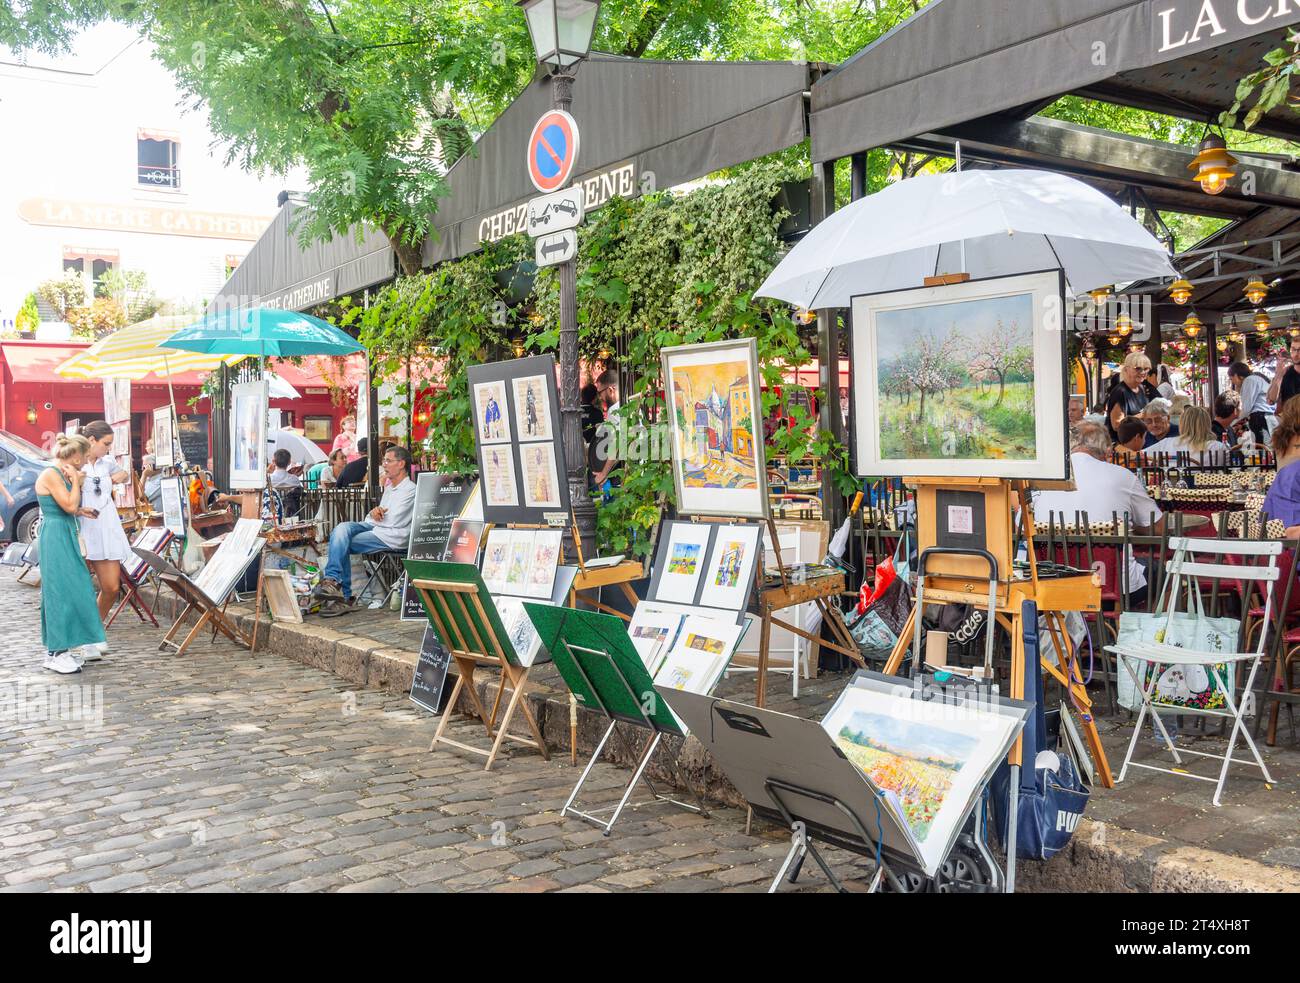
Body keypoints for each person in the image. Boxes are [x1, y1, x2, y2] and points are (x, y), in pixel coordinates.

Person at [1034, 423, 1164, 603]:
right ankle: (1147, 630)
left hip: (1055, 584)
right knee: (1164, 569)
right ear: (1106, 450)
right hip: (1113, 584)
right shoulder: (1122, 476)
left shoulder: (1045, 478)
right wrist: (1125, 527)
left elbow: (1023, 525)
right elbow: (1158, 528)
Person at [35, 434, 105, 673]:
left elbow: (69, 508)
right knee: (59, 591)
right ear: (75, 457)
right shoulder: (51, 474)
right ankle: (56, 652)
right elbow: (68, 505)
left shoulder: (57, 473)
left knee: (74, 587)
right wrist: (76, 482)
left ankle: (63, 648)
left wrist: (81, 510)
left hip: (63, 530)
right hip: (55, 535)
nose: (86, 462)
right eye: (85, 457)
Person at [313, 446, 417, 607]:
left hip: (391, 535)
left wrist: (377, 514)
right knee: (341, 528)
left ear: (401, 463)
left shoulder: (410, 489)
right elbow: (374, 516)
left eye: (388, 461)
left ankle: (342, 591)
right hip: (375, 526)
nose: (385, 465)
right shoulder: (390, 488)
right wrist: (375, 512)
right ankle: (333, 580)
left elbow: (394, 521)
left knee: (341, 542)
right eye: (384, 461)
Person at [78, 420, 133, 632]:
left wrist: (113, 477)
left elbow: (124, 474)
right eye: (106, 443)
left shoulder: (106, 461)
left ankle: (94, 629)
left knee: (111, 586)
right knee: (80, 587)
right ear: (92, 440)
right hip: (83, 525)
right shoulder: (77, 463)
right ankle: (82, 633)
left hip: (106, 525)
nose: (109, 447)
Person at [1145, 406, 1231, 466]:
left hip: (1175, 491)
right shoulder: (1218, 447)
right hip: (1209, 490)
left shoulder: (1167, 443)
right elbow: (1228, 472)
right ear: (1207, 424)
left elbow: (1136, 456)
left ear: (1182, 424)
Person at [588, 368, 622, 490]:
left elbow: (616, 446)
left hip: (620, 476)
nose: (600, 397)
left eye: (600, 392)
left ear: (611, 390)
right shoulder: (629, 405)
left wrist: (603, 474)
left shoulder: (615, 411)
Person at [1105, 351, 1151, 441]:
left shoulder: (1141, 388)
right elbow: (1116, 425)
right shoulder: (1120, 392)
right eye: (1138, 368)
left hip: (1140, 442)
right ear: (1126, 369)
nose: (1143, 372)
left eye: (1146, 369)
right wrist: (1142, 416)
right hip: (1122, 445)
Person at [1229, 360, 1272, 447]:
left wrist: (1230, 423)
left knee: (1262, 450)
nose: (1232, 382)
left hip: (1260, 418)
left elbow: (1245, 408)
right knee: (1265, 449)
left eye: (1231, 378)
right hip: (1264, 417)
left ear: (1237, 375)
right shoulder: (1255, 379)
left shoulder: (1250, 380)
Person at [1268, 333, 1300, 414]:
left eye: (1299, 350)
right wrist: (1278, 376)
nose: (1296, 354)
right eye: (1293, 349)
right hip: (1289, 422)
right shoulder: (1285, 372)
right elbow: (1271, 401)